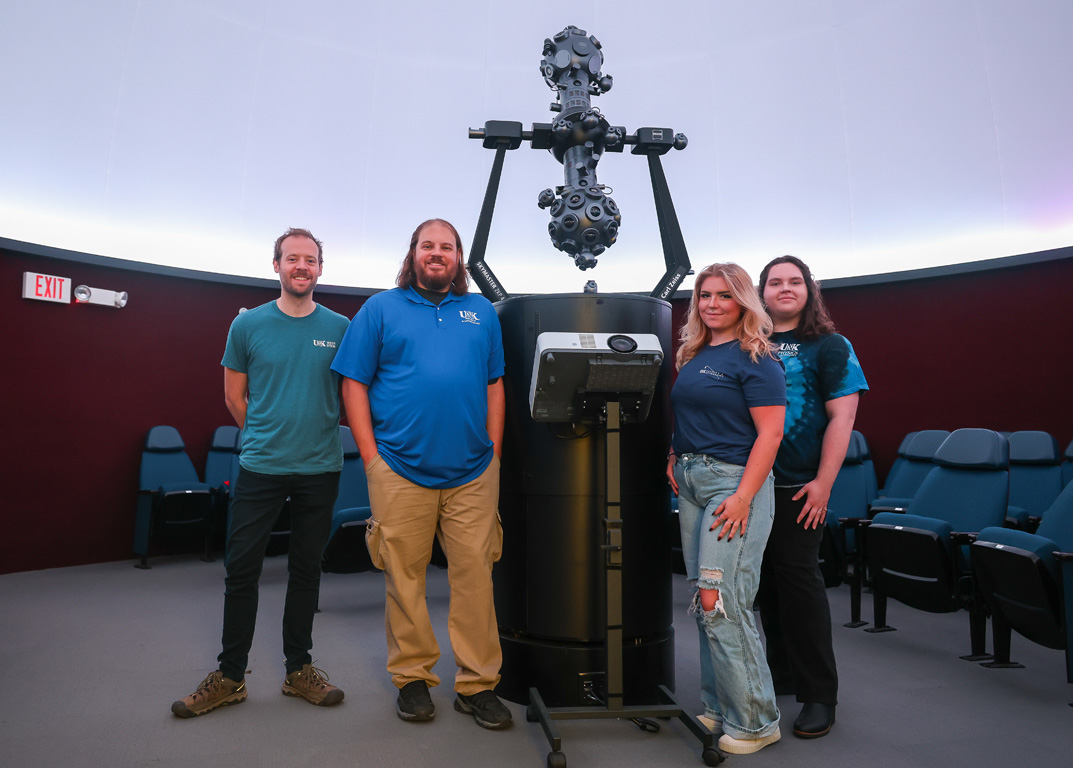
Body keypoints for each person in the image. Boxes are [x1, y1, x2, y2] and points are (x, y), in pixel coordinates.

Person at [331, 218, 512, 730]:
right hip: (399, 469)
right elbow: (353, 384)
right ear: (412, 254)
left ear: (459, 259)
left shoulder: (481, 312)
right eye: (428, 245)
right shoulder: (380, 309)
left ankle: (477, 686)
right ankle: (413, 679)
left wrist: (494, 452)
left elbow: (494, 383)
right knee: (404, 577)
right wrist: (371, 457)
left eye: (447, 247)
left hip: (474, 472)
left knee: (475, 577)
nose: (438, 254)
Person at [171, 227, 349, 718]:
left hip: (320, 470)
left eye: (310, 260)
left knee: (305, 572)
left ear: (319, 269)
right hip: (260, 468)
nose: (301, 267)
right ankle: (230, 678)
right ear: (276, 265)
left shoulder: (340, 327)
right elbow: (234, 397)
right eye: (292, 258)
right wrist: (267, 434)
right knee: (242, 572)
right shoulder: (247, 325)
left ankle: (299, 671)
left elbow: (351, 393)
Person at [666, 263, 786, 755]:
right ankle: (719, 706)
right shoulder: (695, 354)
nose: (712, 304)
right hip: (694, 483)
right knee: (702, 601)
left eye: (724, 296)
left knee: (723, 601)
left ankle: (757, 722)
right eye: (705, 296)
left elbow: (771, 434)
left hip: (734, 486)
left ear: (743, 302)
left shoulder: (756, 358)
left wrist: (742, 497)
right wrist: (675, 456)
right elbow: (692, 414)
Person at [755, 255, 868, 739]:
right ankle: (781, 674)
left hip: (800, 487)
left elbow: (842, 419)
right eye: (775, 282)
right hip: (748, 488)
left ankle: (820, 695)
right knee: (765, 588)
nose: (785, 289)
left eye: (794, 281)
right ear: (761, 292)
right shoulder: (748, 344)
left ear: (809, 290)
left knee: (801, 588)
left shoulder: (830, 346)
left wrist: (824, 483)